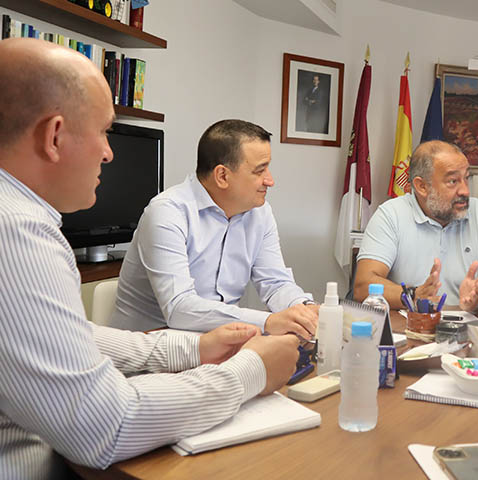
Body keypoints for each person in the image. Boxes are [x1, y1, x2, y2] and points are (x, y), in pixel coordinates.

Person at [0, 38, 300, 479]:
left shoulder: (19, 218)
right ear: (55, 135)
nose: (109, 151)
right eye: (103, 130)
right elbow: (104, 426)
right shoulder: (18, 233)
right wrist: (251, 371)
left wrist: (194, 347)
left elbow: (71, 335)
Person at [111, 119, 319, 336]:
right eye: (260, 171)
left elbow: (275, 283)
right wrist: (268, 322)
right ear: (222, 176)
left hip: (218, 345)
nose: (270, 180)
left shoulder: (260, 212)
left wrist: (303, 309)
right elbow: (179, 308)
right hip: (150, 350)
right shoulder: (167, 213)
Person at [355, 140, 478, 312]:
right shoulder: (390, 215)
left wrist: (477, 299)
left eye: (466, 178)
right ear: (422, 186)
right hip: (409, 329)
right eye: (453, 181)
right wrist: (414, 295)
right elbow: (363, 285)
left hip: (470, 330)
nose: (465, 191)